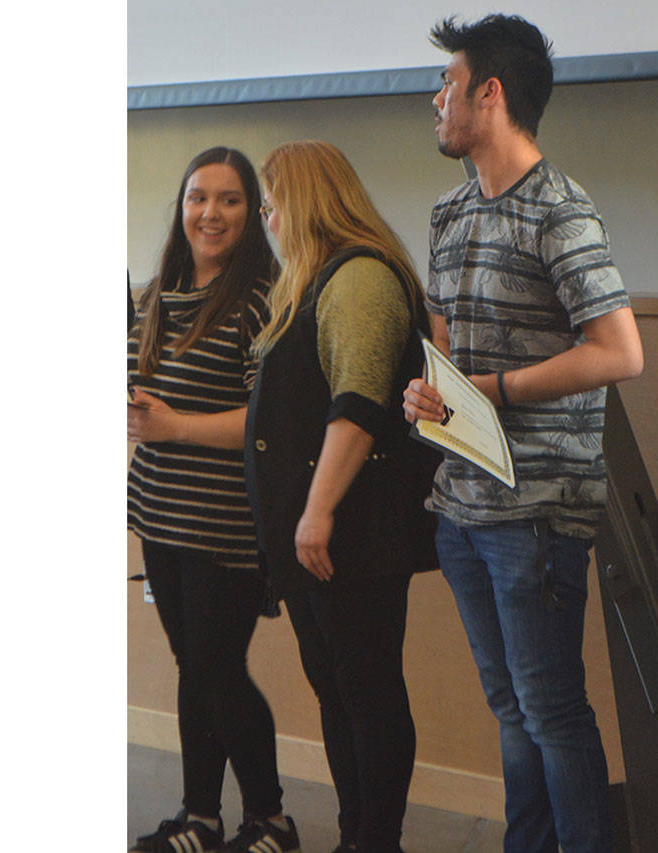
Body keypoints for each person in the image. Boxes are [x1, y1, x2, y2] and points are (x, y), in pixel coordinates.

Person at [402, 14, 644, 853]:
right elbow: (447, 356)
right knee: (509, 705)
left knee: (548, 708)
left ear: (489, 94)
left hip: (537, 507)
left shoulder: (562, 211)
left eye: (448, 84)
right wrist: (427, 398)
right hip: (461, 502)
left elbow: (620, 351)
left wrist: (496, 390)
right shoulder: (447, 211)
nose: (436, 99)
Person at [242, 140, 440, 853]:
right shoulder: (311, 279)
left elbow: (356, 406)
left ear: (310, 198)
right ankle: (356, 834)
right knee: (337, 687)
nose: (265, 213)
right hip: (318, 535)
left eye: (272, 197)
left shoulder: (357, 278)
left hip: (352, 533)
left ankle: (375, 840)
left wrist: (317, 511)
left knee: (367, 692)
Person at [127, 147, 299, 853]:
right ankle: (201, 817)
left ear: (252, 212)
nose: (210, 213)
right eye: (199, 197)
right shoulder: (155, 293)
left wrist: (175, 425)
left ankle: (271, 819)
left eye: (229, 199)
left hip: (225, 525)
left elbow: (271, 422)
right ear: (182, 206)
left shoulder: (264, 296)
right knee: (193, 667)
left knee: (217, 669)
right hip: (158, 514)